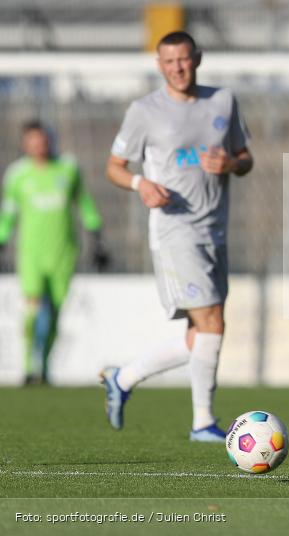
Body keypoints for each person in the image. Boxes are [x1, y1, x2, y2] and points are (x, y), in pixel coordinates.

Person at [100, 30, 253, 441]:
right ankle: (203, 422)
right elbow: (114, 166)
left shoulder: (222, 100)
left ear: (197, 58)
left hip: (214, 229)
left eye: (184, 60)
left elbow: (245, 157)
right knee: (212, 322)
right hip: (173, 229)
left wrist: (231, 163)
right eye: (169, 62)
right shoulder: (144, 110)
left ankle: (124, 378)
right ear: (159, 65)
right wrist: (139, 185)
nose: (178, 68)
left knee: (200, 333)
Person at [0, 121, 107, 385]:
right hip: (31, 254)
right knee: (33, 309)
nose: (39, 146)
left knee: (55, 312)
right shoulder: (17, 175)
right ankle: (27, 368)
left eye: (42, 140)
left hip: (64, 253)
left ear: (49, 140)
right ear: (25, 144)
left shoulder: (68, 169)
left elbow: (85, 205)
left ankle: (45, 367)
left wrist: (97, 239)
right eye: (33, 141)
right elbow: (8, 215)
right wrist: (2, 241)